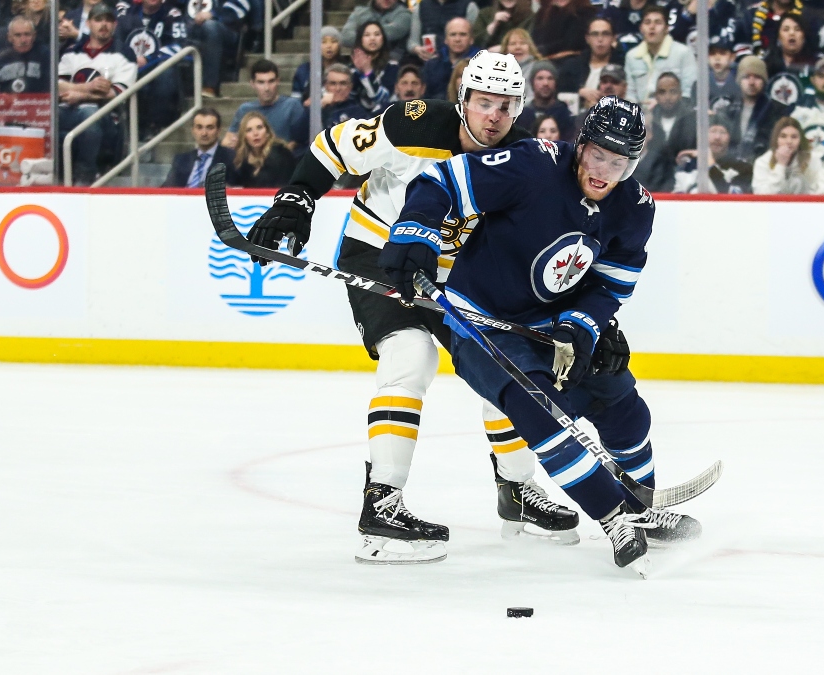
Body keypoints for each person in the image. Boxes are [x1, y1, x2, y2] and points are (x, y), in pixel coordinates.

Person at [244, 53, 580, 564]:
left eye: (506, 106)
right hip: (380, 255)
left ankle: (517, 490)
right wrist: (297, 198)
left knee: (506, 368)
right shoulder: (412, 123)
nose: (493, 115)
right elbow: (334, 147)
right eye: (483, 102)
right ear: (463, 99)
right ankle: (382, 504)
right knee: (410, 357)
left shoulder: (524, 157)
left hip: (452, 274)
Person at [379, 97, 701, 574]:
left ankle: (642, 505)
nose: (605, 171)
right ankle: (614, 516)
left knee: (622, 403)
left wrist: (584, 325)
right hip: (482, 322)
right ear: (582, 146)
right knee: (538, 410)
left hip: (554, 328)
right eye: (598, 155)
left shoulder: (634, 208)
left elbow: (611, 284)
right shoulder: (533, 164)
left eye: (620, 162)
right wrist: (415, 233)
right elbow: (439, 182)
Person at [57, 3, 137, 185]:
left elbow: (117, 92)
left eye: (109, 21)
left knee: (88, 114)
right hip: (68, 110)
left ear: (115, 25)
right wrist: (89, 87)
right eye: (98, 20)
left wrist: (78, 95)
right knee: (48, 117)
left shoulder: (124, 53)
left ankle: (86, 175)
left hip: (107, 116)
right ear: (88, 24)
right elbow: (57, 86)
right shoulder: (72, 52)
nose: (104, 25)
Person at [115, 0, 189, 135]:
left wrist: (150, 58)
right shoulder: (127, 14)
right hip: (129, 65)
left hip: (157, 67)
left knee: (166, 72)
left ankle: (155, 124)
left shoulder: (173, 14)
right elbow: (116, 42)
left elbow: (180, 45)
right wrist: (131, 58)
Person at [718, 55, 787, 187]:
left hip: (762, 174)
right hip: (728, 172)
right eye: (746, 77)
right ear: (739, 80)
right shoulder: (726, 112)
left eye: (757, 77)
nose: (751, 82)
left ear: (764, 81)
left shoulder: (778, 112)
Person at [223, 60, 307, 150]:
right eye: (261, 82)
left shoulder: (292, 106)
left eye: (271, 81)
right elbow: (226, 141)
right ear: (252, 84)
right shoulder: (244, 109)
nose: (266, 88)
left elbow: (298, 141)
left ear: (278, 81)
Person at [624, 6, 697, 103]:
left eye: (658, 23)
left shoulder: (683, 53)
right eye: (647, 22)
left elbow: (688, 92)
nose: (652, 27)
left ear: (666, 28)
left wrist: (662, 106)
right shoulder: (631, 56)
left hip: (674, 112)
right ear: (641, 28)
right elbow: (630, 94)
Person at [163, 107, 238, 188]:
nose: (204, 133)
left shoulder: (232, 158)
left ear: (218, 131)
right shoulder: (181, 160)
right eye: (199, 127)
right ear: (193, 130)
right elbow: (165, 190)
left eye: (210, 128)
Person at [673, 116, 750, 193]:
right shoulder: (688, 166)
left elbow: (733, 197)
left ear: (730, 138)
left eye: (723, 132)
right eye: (713, 131)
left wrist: (709, 162)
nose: (717, 137)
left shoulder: (742, 167)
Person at [189, 0, 248, 98]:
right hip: (193, 29)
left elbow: (238, 8)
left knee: (210, 26)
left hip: (227, 29)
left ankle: (209, 86)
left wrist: (213, 14)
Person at [752, 116, 822, 194]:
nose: (789, 141)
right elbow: (762, 196)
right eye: (783, 136)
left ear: (800, 140)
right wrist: (780, 165)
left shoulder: (813, 160)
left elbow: (818, 192)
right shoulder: (762, 162)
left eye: (794, 137)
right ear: (776, 139)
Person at [557, 17, 624, 97]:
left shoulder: (623, 65)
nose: (600, 39)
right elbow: (560, 91)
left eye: (605, 34)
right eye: (595, 34)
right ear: (587, 39)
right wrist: (579, 92)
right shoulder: (572, 66)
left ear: (613, 38)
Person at [0, 16, 51, 93]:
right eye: (18, 35)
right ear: (9, 37)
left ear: (34, 36)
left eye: (27, 34)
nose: (23, 40)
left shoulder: (45, 55)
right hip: (5, 103)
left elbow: (49, 87)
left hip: (37, 102)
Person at [763, 12, 818, 107]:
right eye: (786, 29)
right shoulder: (766, 64)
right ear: (778, 37)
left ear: (804, 36)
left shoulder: (815, 65)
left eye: (797, 29)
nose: (792, 33)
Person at [233, 111, 298, 188]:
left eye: (259, 127)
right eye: (249, 130)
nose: (255, 133)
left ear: (267, 132)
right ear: (244, 136)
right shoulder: (243, 160)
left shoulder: (281, 153)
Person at [645, 72, 696, 168]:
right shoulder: (648, 120)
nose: (668, 97)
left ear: (680, 94)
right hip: (653, 174)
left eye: (673, 91)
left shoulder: (692, 119)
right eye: (662, 92)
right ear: (656, 95)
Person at [421, 16, 480, 99]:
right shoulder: (432, 66)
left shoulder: (481, 65)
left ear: (471, 39)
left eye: (463, 34)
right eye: (453, 35)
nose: (457, 39)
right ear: (446, 39)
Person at [514, 61, 575, 138]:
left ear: (556, 83)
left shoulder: (564, 114)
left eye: (550, 78)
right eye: (540, 78)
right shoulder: (523, 114)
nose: (545, 83)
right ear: (532, 83)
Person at [292, 27, 351, 105]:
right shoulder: (304, 70)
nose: (329, 46)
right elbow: (296, 102)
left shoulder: (348, 68)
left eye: (333, 41)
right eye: (323, 42)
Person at [351, 20, 400, 111]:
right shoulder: (352, 69)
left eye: (377, 34)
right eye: (367, 35)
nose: (372, 38)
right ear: (360, 40)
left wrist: (368, 72)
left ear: (383, 39)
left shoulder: (393, 67)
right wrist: (357, 73)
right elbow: (348, 98)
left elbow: (384, 99)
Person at [407, 0, 479, 61]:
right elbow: (412, 42)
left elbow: (474, 39)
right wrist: (418, 49)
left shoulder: (469, 6)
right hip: (426, 61)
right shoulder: (421, 6)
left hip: (461, 60)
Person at [341, 0, 412, 62]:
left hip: (393, 63)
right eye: (367, 35)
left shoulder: (404, 14)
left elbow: (392, 32)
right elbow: (346, 37)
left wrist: (362, 32)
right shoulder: (359, 12)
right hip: (361, 62)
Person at [703, 33, 741, 104]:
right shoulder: (700, 84)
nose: (717, 58)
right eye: (712, 53)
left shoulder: (740, 84)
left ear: (732, 57)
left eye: (722, 53)